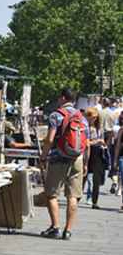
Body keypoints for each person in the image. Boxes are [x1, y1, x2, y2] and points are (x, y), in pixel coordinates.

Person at [39, 88, 90, 240]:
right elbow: (86, 143)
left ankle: (55, 227)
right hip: (77, 159)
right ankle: (68, 230)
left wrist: (43, 156)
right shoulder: (82, 117)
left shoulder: (56, 115)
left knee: (51, 194)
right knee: (73, 196)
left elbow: (49, 139)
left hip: (58, 158)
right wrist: (86, 162)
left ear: (62, 98)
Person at [84, 107, 107, 209]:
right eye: (92, 117)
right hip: (87, 152)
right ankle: (77, 198)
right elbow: (85, 143)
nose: (93, 119)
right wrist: (97, 141)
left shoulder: (99, 128)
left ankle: (94, 201)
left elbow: (102, 140)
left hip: (98, 153)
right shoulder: (84, 127)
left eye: (95, 117)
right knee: (83, 177)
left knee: (96, 180)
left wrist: (102, 144)